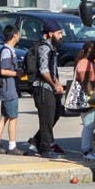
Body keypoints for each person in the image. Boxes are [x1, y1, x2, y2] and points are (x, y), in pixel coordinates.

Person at [26, 19, 64, 159]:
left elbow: (53, 70)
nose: (61, 36)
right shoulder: (44, 48)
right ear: (49, 34)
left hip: (50, 87)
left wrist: (58, 84)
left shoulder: (52, 48)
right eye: (59, 33)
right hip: (42, 88)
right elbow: (44, 71)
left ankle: (35, 141)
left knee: (56, 113)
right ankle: (45, 148)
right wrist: (54, 85)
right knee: (46, 118)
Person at [0, 25, 22, 154]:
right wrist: (17, 74)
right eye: (18, 33)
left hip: (7, 88)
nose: (19, 36)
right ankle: (12, 146)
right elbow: (3, 70)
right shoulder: (7, 51)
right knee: (13, 118)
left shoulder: (8, 50)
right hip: (9, 89)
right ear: (14, 35)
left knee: (4, 117)